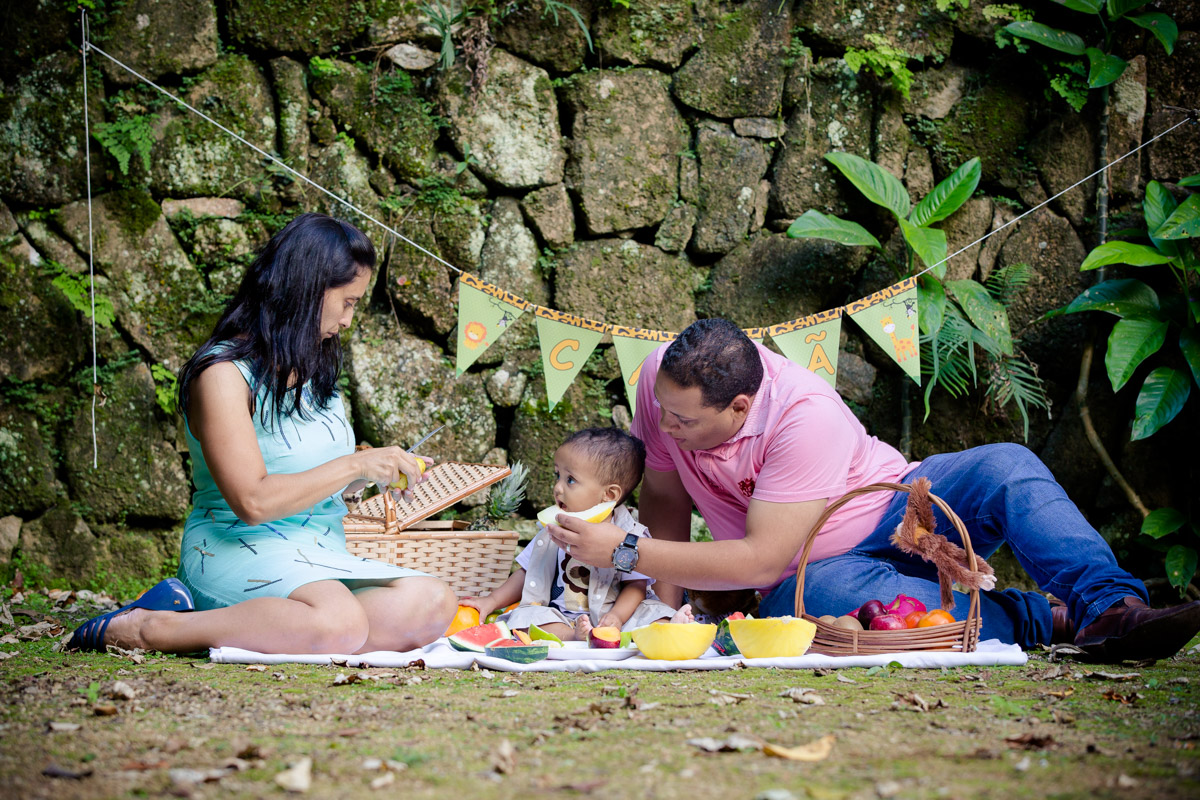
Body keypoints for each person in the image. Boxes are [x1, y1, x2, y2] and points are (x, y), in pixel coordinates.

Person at [547, 318, 1200, 661]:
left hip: (899, 502)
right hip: (821, 572)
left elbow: (761, 557)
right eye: (662, 410)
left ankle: (1110, 606)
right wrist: (661, 616)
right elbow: (663, 500)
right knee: (804, 610)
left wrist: (623, 551)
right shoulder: (664, 382)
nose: (663, 424)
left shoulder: (806, 414)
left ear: (741, 406)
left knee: (1004, 463)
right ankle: (1048, 619)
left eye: (684, 420)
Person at [68, 214, 457, 655]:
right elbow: (253, 501)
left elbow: (311, 476)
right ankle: (150, 627)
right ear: (309, 289)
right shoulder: (222, 375)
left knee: (432, 601)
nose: (349, 319)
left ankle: (297, 629)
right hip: (237, 545)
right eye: (347, 302)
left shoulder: (317, 368)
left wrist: (365, 478)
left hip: (318, 548)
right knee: (339, 621)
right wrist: (357, 463)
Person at [462, 428, 692, 641]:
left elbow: (636, 587)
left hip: (615, 614)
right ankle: (574, 635)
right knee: (524, 620)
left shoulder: (630, 534)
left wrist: (618, 617)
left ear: (608, 494)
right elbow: (525, 572)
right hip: (560, 616)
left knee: (652, 613)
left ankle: (671, 625)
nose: (558, 488)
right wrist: (490, 601)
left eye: (570, 480)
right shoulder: (551, 530)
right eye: (557, 476)